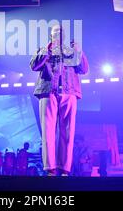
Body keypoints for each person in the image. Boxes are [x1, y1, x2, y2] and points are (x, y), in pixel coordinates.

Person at [30, 25, 89, 176]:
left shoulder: (72, 50)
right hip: (48, 91)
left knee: (67, 132)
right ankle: (50, 168)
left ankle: (64, 168)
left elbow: (84, 69)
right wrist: (48, 50)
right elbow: (34, 65)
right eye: (55, 32)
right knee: (48, 131)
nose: (58, 34)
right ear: (50, 35)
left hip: (69, 92)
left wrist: (78, 51)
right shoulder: (43, 49)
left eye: (61, 32)